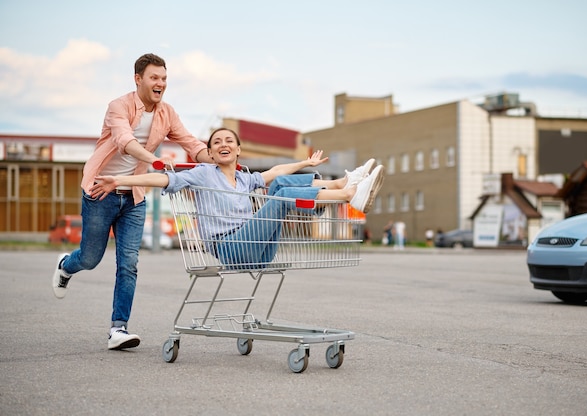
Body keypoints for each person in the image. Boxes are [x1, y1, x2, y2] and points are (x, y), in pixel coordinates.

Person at [51, 53, 214, 351]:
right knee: (90, 258)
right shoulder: (118, 106)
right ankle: (66, 265)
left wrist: (215, 160)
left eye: (164, 78)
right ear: (138, 78)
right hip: (101, 191)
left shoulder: (167, 113)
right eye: (154, 78)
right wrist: (155, 161)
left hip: (134, 197)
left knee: (128, 263)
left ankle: (118, 328)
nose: (160, 83)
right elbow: (125, 142)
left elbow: (191, 143)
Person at [90, 128, 385, 268]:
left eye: (229, 141)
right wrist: (120, 179)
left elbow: (278, 171)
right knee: (279, 196)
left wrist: (304, 164)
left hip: (257, 248)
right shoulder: (203, 173)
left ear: (239, 150)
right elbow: (161, 179)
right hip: (230, 248)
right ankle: (348, 194)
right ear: (211, 152)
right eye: (216, 142)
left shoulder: (245, 178)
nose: (223, 144)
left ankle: (344, 183)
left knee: (279, 184)